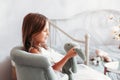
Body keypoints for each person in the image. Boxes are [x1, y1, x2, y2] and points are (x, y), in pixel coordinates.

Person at [12, 13, 77, 80]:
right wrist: (67, 56)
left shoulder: (42, 47)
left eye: (48, 30)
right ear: (33, 33)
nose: (48, 33)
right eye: (45, 31)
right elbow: (52, 69)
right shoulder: (34, 51)